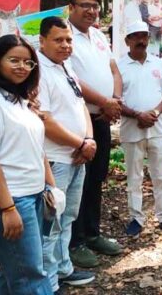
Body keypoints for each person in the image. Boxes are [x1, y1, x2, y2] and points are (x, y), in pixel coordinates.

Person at [0, 35, 55, 294]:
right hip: (6, 199)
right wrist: (7, 208)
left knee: (14, 270)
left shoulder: (18, 100)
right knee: (30, 277)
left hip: (32, 193)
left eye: (28, 63)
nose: (22, 67)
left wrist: (50, 186)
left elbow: (36, 148)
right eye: (13, 60)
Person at [37, 17, 97, 292]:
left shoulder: (66, 66)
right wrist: (80, 144)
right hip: (55, 160)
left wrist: (89, 139)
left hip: (76, 156)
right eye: (58, 40)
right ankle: (48, 282)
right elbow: (45, 120)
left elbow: (80, 104)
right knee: (51, 223)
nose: (65, 45)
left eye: (69, 39)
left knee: (68, 216)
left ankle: (63, 269)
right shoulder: (38, 71)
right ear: (42, 41)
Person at [67, 0, 123, 268]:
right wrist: (104, 101)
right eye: (85, 5)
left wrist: (114, 101)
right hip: (79, 121)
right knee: (78, 180)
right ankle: (73, 241)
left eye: (95, 6)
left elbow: (114, 69)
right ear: (71, 7)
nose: (91, 11)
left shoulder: (99, 35)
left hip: (102, 118)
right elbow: (72, 77)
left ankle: (92, 233)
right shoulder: (65, 37)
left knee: (98, 176)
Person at [118, 21, 162, 237]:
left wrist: (155, 113)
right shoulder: (119, 66)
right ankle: (136, 218)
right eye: (135, 36)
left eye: (144, 36)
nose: (141, 40)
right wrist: (136, 115)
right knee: (134, 176)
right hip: (132, 129)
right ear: (128, 41)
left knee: (161, 174)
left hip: (157, 128)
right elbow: (114, 101)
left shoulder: (158, 63)